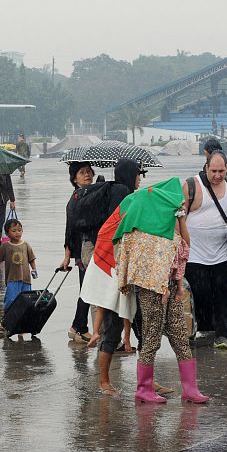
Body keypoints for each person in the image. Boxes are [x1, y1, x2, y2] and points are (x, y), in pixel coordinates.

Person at [113, 177, 209, 403]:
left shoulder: (169, 230)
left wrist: (181, 219)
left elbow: (184, 248)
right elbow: (143, 266)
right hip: (152, 292)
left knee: (180, 337)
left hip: (172, 291)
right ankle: (143, 389)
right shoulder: (144, 235)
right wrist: (164, 289)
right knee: (151, 338)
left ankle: (190, 389)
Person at [82, 158, 144, 396]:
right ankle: (104, 382)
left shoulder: (117, 191)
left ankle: (146, 381)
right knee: (113, 327)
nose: (140, 178)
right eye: (138, 174)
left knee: (137, 327)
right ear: (130, 175)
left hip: (118, 265)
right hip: (113, 267)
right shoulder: (124, 194)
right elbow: (124, 229)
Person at [183, 151, 227, 349]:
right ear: (206, 167)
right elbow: (178, 218)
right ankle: (201, 330)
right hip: (195, 255)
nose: (217, 175)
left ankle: (222, 335)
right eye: (214, 171)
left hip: (222, 253)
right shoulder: (192, 186)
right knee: (201, 294)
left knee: (224, 293)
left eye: (221, 171)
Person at [61, 161, 96, 343]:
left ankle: (77, 326)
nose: (87, 175)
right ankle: (79, 327)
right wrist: (68, 256)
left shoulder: (89, 195)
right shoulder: (76, 199)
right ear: (74, 178)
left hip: (86, 249)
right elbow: (70, 229)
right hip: (83, 250)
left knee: (86, 288)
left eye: (89, 172)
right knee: (87, 289)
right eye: (82, 173)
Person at [0, 218, 37, 315]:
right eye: (14, 231)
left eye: (19, 230)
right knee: (11, 299)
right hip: (12, 278)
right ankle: (8, 316)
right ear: (7, 233)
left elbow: (31, 259)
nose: (17, 233)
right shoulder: (6, 246)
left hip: (26, 279)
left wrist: (34, 269)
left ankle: (23, 318)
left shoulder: (26, 245)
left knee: (26, 300)